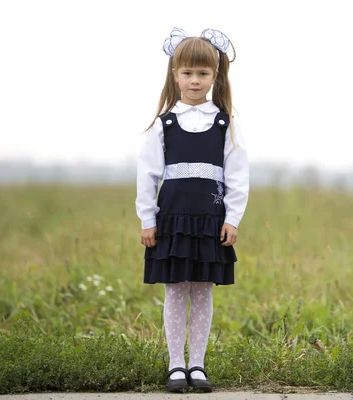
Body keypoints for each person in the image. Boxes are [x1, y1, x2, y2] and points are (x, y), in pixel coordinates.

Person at [135, 27, 249, 393]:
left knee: (202, 290)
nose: (195, 80)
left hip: (209, 221)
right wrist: (147, 220)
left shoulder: (225, 123)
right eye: (187, 73)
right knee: (174, 290)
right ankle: (175, 365)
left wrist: (232, 218)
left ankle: (197, 365)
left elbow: (237, 175)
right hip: (172, 220)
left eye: (202, 73)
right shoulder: (163, 124)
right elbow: (148, 174)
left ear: (214, 76)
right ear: (175, 75)